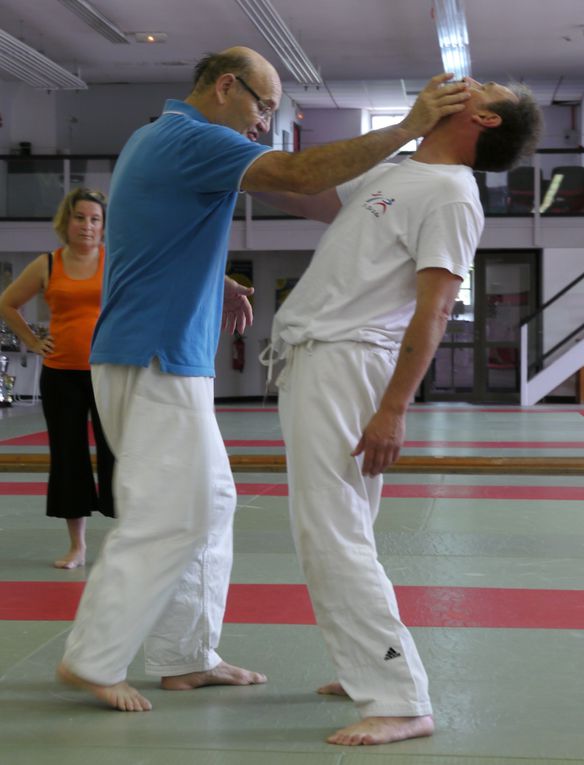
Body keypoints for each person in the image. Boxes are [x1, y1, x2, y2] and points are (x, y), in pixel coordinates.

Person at [56, 45, 471, 713]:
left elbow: (167, 230)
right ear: (226, 87)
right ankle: (94, 654)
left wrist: (213, 277)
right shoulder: (195, 138)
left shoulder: (155, 137)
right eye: (264, 106)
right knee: (173, 509)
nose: (264, 123)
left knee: (212, 501)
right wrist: (404, 128)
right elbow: (301, 175)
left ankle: (184, 654)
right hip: (154, 352)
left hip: (160, 350)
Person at [258, 77, 543, 745]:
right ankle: (364, 667)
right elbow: (304, 193)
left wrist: (393, 409)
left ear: (482, 115)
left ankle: (399, 695)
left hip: (349, 361)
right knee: (344, 522)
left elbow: (437, 308)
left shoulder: (450, 194)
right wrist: (232, 161)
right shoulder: (396, 173)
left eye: (484, 83)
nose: (464, 78)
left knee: (329, 530)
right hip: (321, 358)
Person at [0, 188, 114, 569]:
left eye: (95, 219)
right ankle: (77, 546)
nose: (87, 226)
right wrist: (33, 341)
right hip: (61, 375)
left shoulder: (113, 262)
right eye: (80, 218)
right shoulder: (49, 264)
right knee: (69, 458)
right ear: (66, 222)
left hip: (107, 374)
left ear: (103, 226)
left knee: (116, 454)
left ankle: (121, 544)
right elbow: (7, 303)